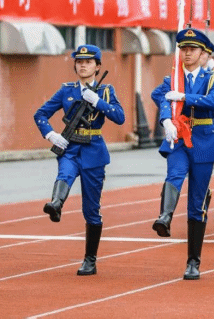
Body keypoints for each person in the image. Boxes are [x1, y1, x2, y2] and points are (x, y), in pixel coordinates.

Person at [34, 45, 125, 276]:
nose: (83, 65)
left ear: (98, 66)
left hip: (94, 150)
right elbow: (41, 114)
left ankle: (90, 259)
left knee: (91, 209)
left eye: (88, 62)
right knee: (64, 173)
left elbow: (120, 117)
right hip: (70, 147)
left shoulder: (105, 91)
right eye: (79, 61)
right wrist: (51, 134)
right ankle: (56, 203)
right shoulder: (67, 90)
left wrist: (98, 102)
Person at [151, 28, 214, 280]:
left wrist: (184, 97)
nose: (188, 53)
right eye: (184, 49)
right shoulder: (173, 78)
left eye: (193, 49)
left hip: (203, 140)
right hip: (180, 138)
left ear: (203, 53)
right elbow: (160, 96)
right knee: (175, 173)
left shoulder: (212, 77)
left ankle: (193, 260)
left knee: (196, 203)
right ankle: (165, 216)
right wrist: (166, 119)